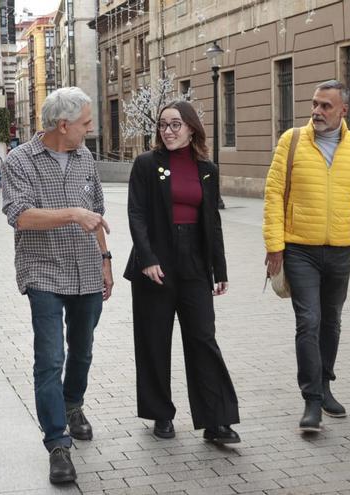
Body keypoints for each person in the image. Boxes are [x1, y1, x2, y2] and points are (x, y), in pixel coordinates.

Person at [263, 80, 350, 432]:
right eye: (315, 104)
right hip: (299, 249)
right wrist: (275, 244)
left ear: (343, 110)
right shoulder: (290, 141)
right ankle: (311, 401)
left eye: (326, 106)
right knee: (308, 320)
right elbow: (274, 195)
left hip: (340, 251)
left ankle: (324, 386)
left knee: (331, 321)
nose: (317, 111)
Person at [1, 87, 113, 484]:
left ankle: (73, 404)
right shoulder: (20, 161)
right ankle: (57, 444)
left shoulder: (85, 159)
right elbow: (20, 216)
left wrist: (105, 259)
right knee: (50, 358)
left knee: (82, 350)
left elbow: (95, 214)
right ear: (63, 125)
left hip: (85, 269)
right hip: (43, 271)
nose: (90, 129)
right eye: (85, 123)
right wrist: (72, 214)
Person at [124, 100, 240, 444]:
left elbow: (213, 223)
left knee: (203, 339)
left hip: (194, 262)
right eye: (163, 125)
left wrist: (219, 269)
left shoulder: (207, 168)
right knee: (154, 340)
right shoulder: (147, 164)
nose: (169, 131)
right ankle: (161, 413)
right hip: (155, 263)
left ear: (191, 128)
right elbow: (136, 214)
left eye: (176, 124)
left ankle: (216, 421)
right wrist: (147, 258)